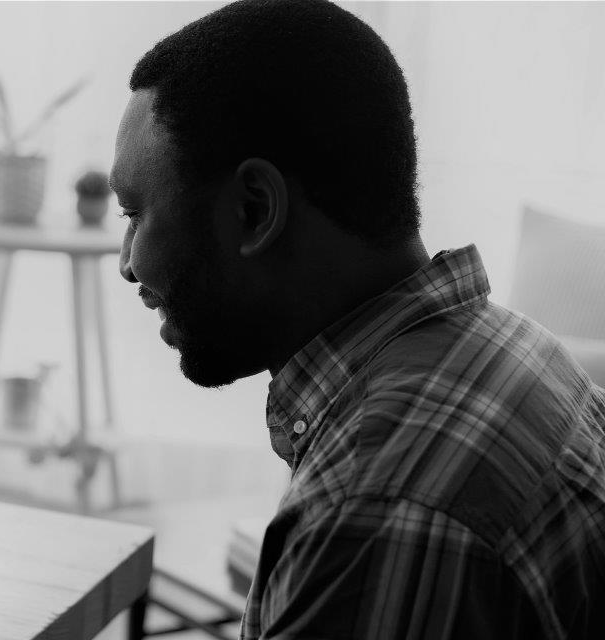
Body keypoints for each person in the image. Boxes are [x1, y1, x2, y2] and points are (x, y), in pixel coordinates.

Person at [111, 1, 605, 638]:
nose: (128, 265)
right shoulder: (517, 348)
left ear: (255, 210)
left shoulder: (375, 516)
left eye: (134, 214)